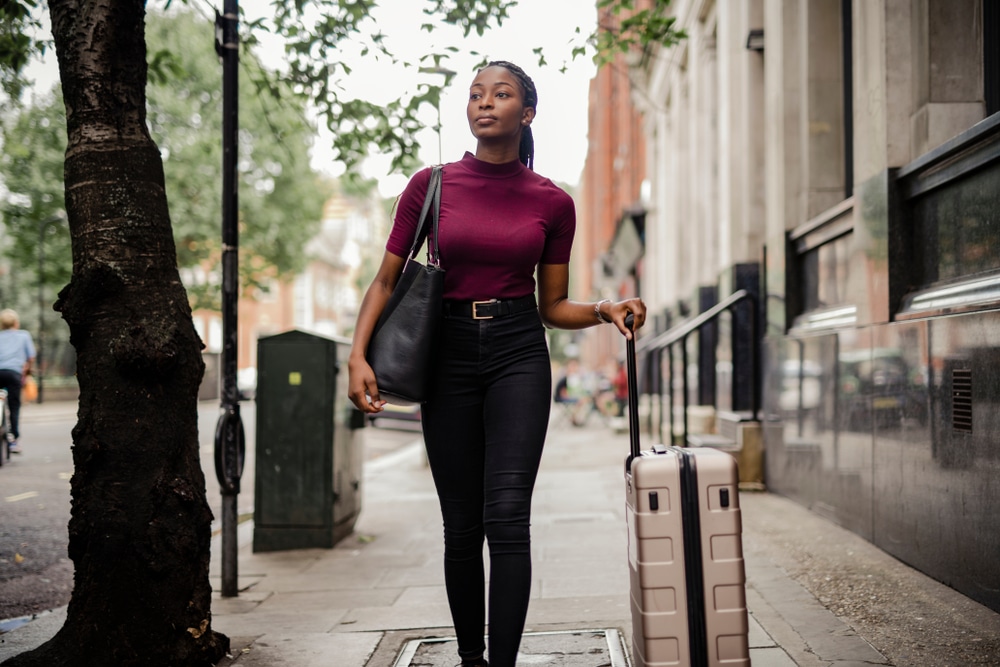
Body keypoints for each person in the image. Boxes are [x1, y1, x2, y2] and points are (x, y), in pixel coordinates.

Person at [348, 61, 646, 667]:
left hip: (518, 352)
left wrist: (604, 309)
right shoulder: (431, 185)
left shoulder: (552, 202)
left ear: (526, 113)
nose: (484, 103)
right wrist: (357, 355)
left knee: (508, 518)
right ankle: (470, 658)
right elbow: (385, 281)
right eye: (475, 94)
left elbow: (552, 306)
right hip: (447, 354)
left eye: (501, 94)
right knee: (461, 525)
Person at [0, 309, 36, 454]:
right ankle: (13, 440)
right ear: (16, 323)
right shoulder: (23, 335)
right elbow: (31, 357)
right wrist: (27, 371)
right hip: (14, 374)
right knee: (14, 406)